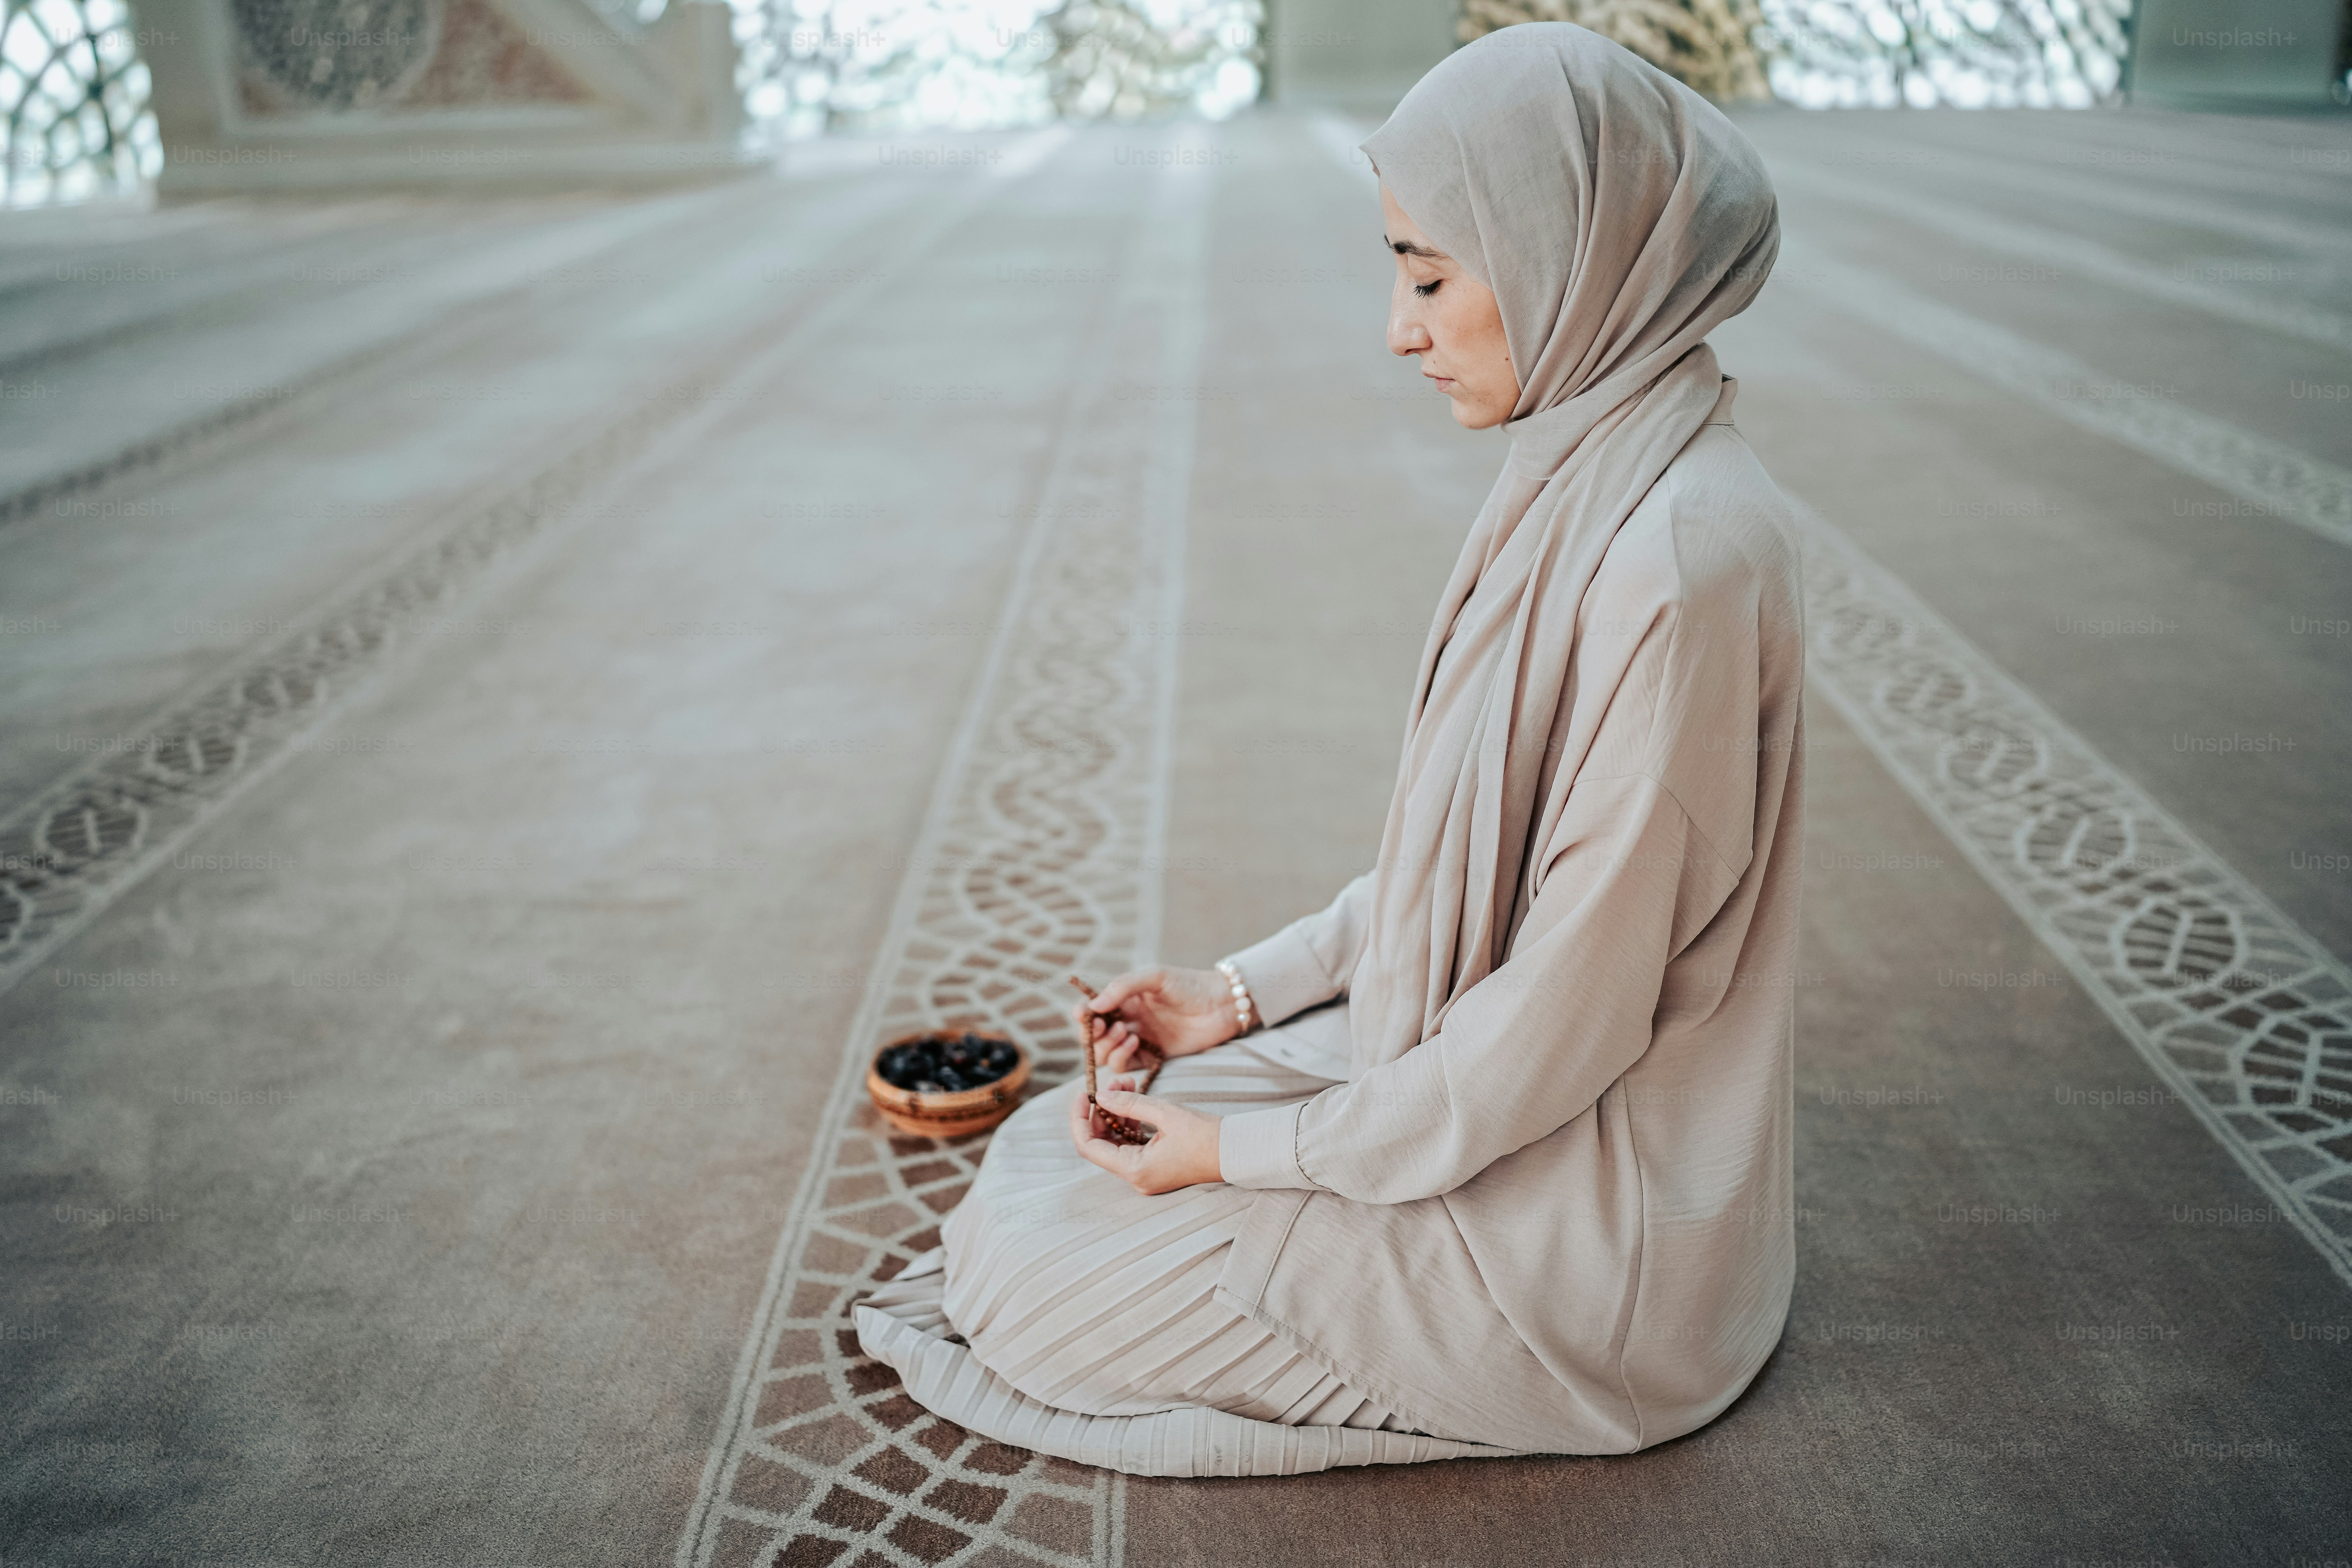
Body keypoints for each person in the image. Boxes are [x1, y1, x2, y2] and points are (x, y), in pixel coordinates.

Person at [856, 21, 1805, 1476]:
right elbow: (1477, 866)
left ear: (1575, 260)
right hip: (1508, 1077)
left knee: (1041, 1281)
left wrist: (1239, 1155)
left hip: (1591, 1239)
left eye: (1430, 275)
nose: (1400, 328)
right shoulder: (1593, 460)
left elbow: (1567, 1006)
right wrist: (1235, 997)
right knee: (1069, 1141)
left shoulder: (1676, 559)